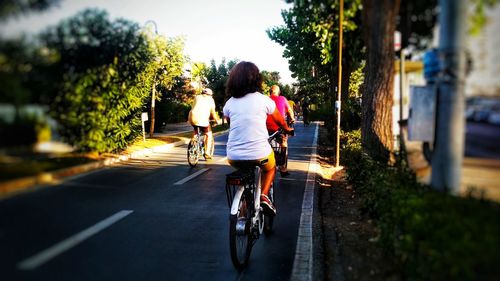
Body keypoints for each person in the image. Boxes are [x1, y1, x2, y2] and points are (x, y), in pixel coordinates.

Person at [223, 61, 293, 216]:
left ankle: (242, 211)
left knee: (246, 176)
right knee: (270, 168)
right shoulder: (263, 99)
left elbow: (230, 122)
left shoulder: (230, 103)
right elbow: (280, 120)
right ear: (257, 79)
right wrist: (287, 129)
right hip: (259, 154)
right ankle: (264, 196)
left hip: (233, 156)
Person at [266, 85, 295, 177]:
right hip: (279, 128)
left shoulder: (265, 99)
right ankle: (283, 168)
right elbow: (290, 111)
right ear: (278, 92)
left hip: (265, 129)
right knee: (284, 143)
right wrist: (292, 119)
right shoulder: (282, 99)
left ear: (270, 92)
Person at [188, 88, 217, 159]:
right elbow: (212, 112)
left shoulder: (197, 97)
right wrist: (216, 120)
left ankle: (193, 143)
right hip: (203, 119)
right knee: (208, 134)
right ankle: (207, 153)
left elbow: (194, 107)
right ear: (210, 95)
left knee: (195, 131)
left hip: (192, 118)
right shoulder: (211, 100)